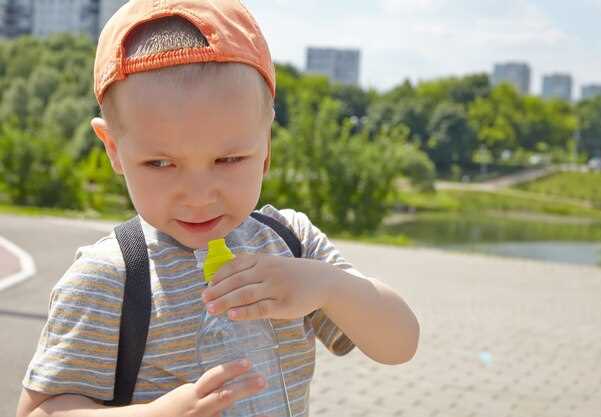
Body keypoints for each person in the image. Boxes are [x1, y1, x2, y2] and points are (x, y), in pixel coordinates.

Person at [16, 1, 419, 416]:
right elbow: (37, 411)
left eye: (228, 160)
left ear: (266, 146)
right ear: (114, 151)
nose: (198, 195)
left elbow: (400, 345)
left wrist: (328, 285)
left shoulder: (288, 243)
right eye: (160, 163)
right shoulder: (110, 276)